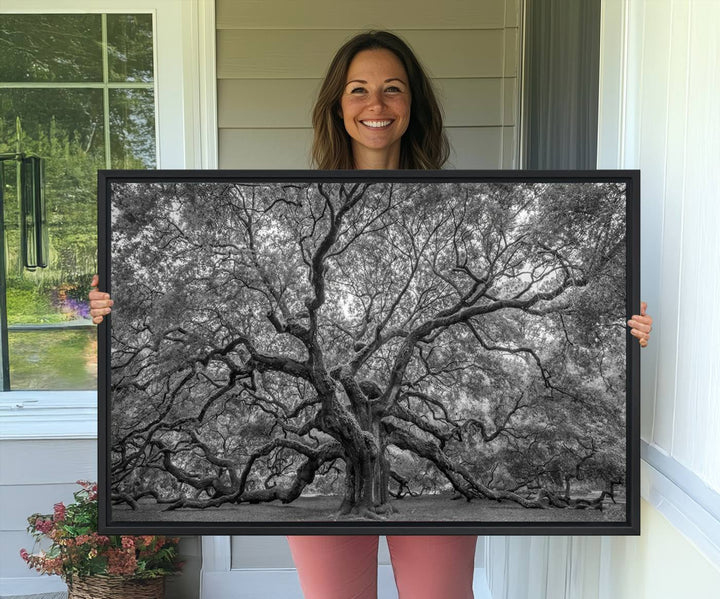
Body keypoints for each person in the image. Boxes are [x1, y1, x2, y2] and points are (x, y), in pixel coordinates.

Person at [89, 30, 653, 599]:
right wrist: (121, 311)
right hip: (328, 484)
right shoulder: (294, 208)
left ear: (413, 105)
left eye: (393, 89)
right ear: (338, 105)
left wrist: (622, 336)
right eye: (358, 90)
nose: (376, 105)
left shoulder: (466, 205)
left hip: (420, 481)